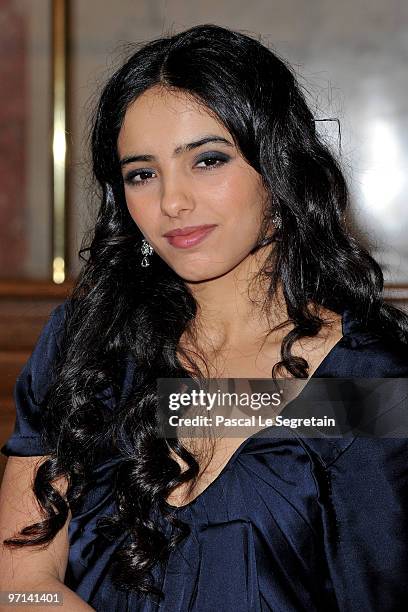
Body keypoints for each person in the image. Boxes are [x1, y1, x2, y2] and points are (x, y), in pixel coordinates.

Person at [1, 23, 408, 612]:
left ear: (277, 169)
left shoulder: (362, 386)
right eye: (142, 173)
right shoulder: (87, 349)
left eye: (208, 161)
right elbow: (21, 585)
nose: (172, 202)